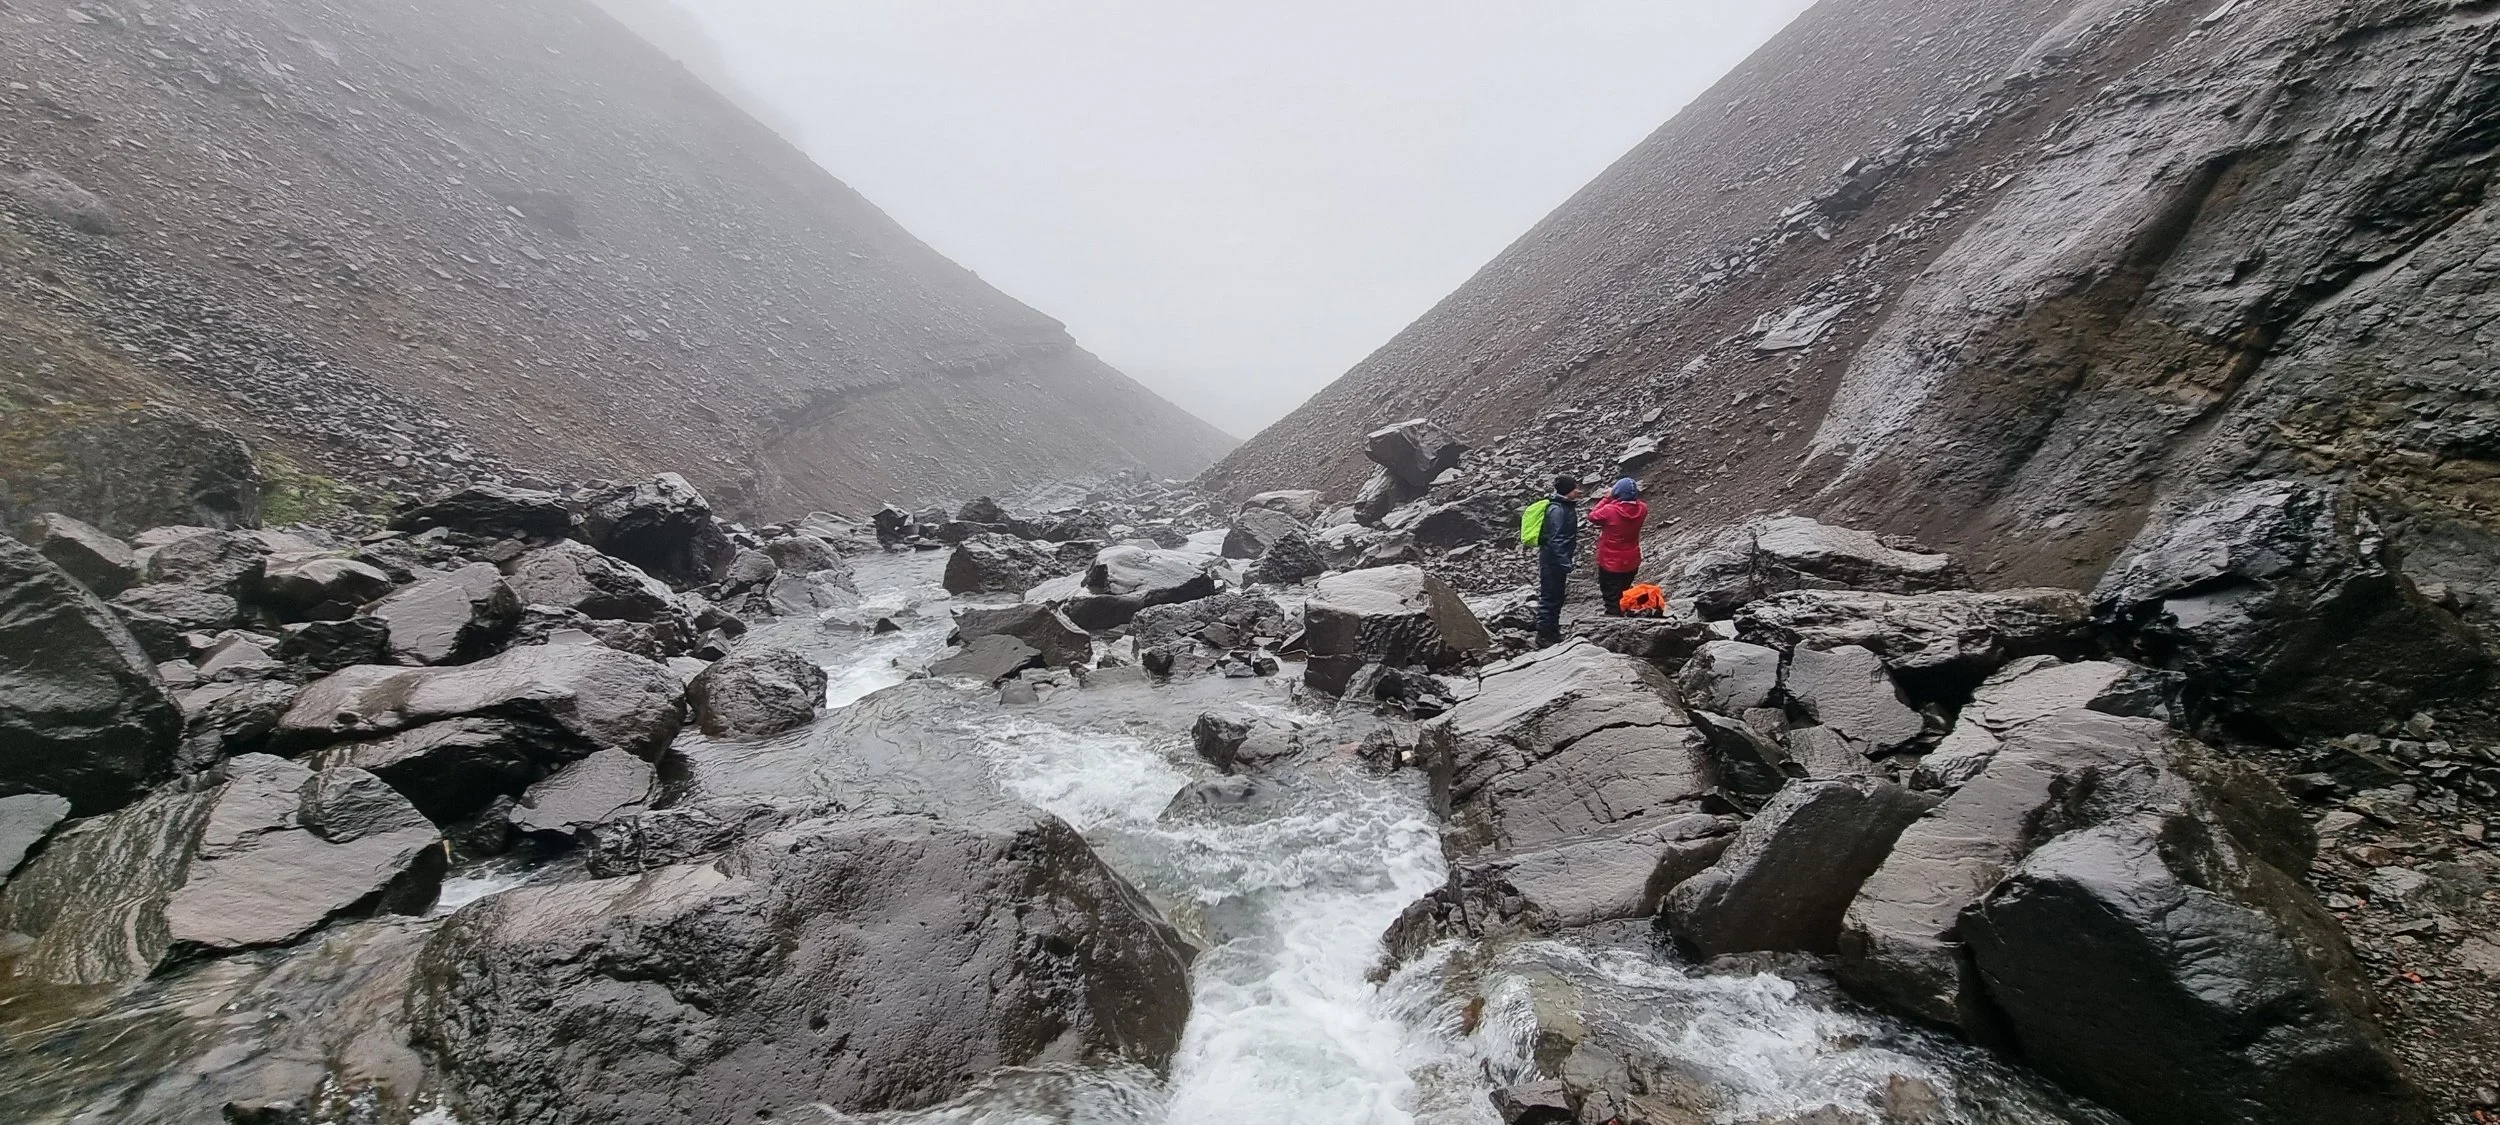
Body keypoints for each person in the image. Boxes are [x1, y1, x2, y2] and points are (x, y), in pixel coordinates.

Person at [1531, 473, 1582, 646]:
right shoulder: (1557, 510)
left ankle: (1552, 630)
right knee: (1550, 596)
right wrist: (1565, 562)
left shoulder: (1563, 506)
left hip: (1556, 559)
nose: (1578, 491)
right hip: (1552, 560)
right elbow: (1555, 539)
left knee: (1556, 596)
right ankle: (1544, 634)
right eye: (1575, 488)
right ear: (1567, 490)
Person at [1587, 477, 1649, 616]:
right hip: (1632, 559)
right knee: (1623, 590)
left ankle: (1613, 621)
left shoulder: (1610, 510)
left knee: (1610, 594)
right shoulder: (1642, 509)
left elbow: (1592, 516)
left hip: (1610, 561)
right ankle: (1624, 611)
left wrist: (1607, 498)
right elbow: (1634, 503)